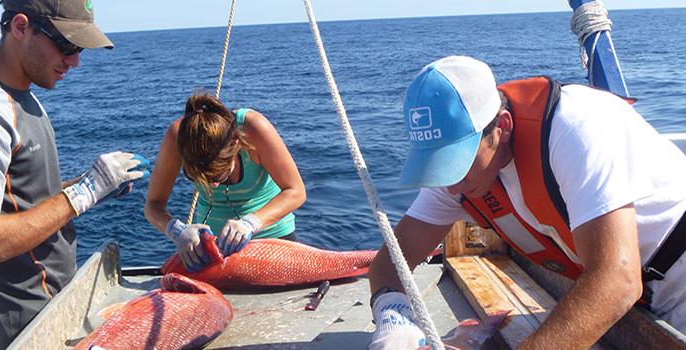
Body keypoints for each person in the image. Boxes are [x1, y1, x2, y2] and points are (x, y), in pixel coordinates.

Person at [368, 55, 686, 349]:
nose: (450, 187)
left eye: (457, 163)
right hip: (645, 297)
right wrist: (392, 318)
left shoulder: (574, 130)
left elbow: (618, 280)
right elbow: (391, 262)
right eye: (438, 167)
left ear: (502, 127)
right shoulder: (459, 174)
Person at [0, 1, 148, 348]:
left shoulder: (24, 100)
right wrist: (84, 192)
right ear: (20, 27)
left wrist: (96, 186)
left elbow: (19, 199)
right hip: (15, 335)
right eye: (66, 45)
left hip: (49, 318)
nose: (74, 61)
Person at [144, 92, 306, 271]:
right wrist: (176, 230)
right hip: (214, 250)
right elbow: (153, 205)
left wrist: (251, 223)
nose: (213, 185)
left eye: (219, 174)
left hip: (274, 241)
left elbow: (295, 191)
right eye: (202, 178)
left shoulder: (253, 128)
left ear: (236, 144)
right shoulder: (178, 137)